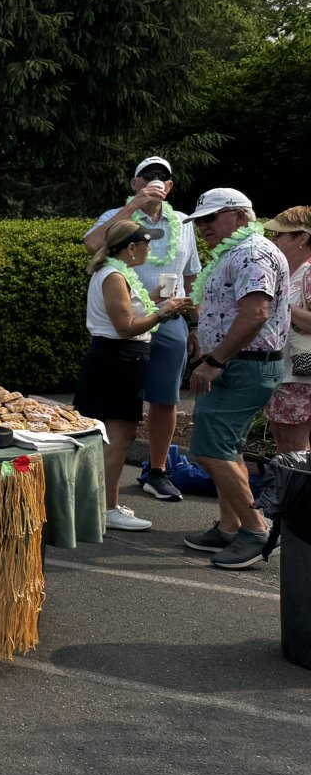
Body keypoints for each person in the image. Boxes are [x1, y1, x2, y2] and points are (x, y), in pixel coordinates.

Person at [182, 187, 291, 570]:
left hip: (243, 364)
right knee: (224, 448)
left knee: (210, 450)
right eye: (201, 222)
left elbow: (256, 312)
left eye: (210, 219)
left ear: (240, 216)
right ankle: (230, 527)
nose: (204, 229)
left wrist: (215, 359)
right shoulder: (238, 251)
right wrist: (205, 337)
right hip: (238, 363)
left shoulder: (252, 252)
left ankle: (255, 530)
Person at [84, 157, 201, 502]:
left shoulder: (183, 222)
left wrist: (194, 324)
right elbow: (93, 246)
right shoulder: (116, 216)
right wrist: (135, 206)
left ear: (170, 187)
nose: (154, 181)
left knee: (165, 399)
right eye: (146, 176)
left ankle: (158, 470)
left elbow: (191, 274)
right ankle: (99, 480)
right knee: (117, 400)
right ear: (134, 184)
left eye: (161, 178)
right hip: (128, 319)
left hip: (170, 318)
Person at [75, 218, 189, 533]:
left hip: (114, 359)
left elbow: (128, 313)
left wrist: (156, 300)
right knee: (118, 438)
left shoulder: (119, 274)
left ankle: (100, 504)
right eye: (146, 243)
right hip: (118, 359)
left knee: (109, 438)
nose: (150, 249)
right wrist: (164, 312)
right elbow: (125, 327)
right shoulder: (114, 276)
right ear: (131, 247)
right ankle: (106, 509)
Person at [261, 207, 311, 455]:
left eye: (281, 235)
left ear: (302, 237)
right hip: (282, 370)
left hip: (301, 374)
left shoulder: (309, 272)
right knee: (283, 441)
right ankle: (287, 492)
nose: (274, 240)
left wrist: (281, 306)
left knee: (294, 447)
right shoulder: (285, 271)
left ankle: (295, 493)